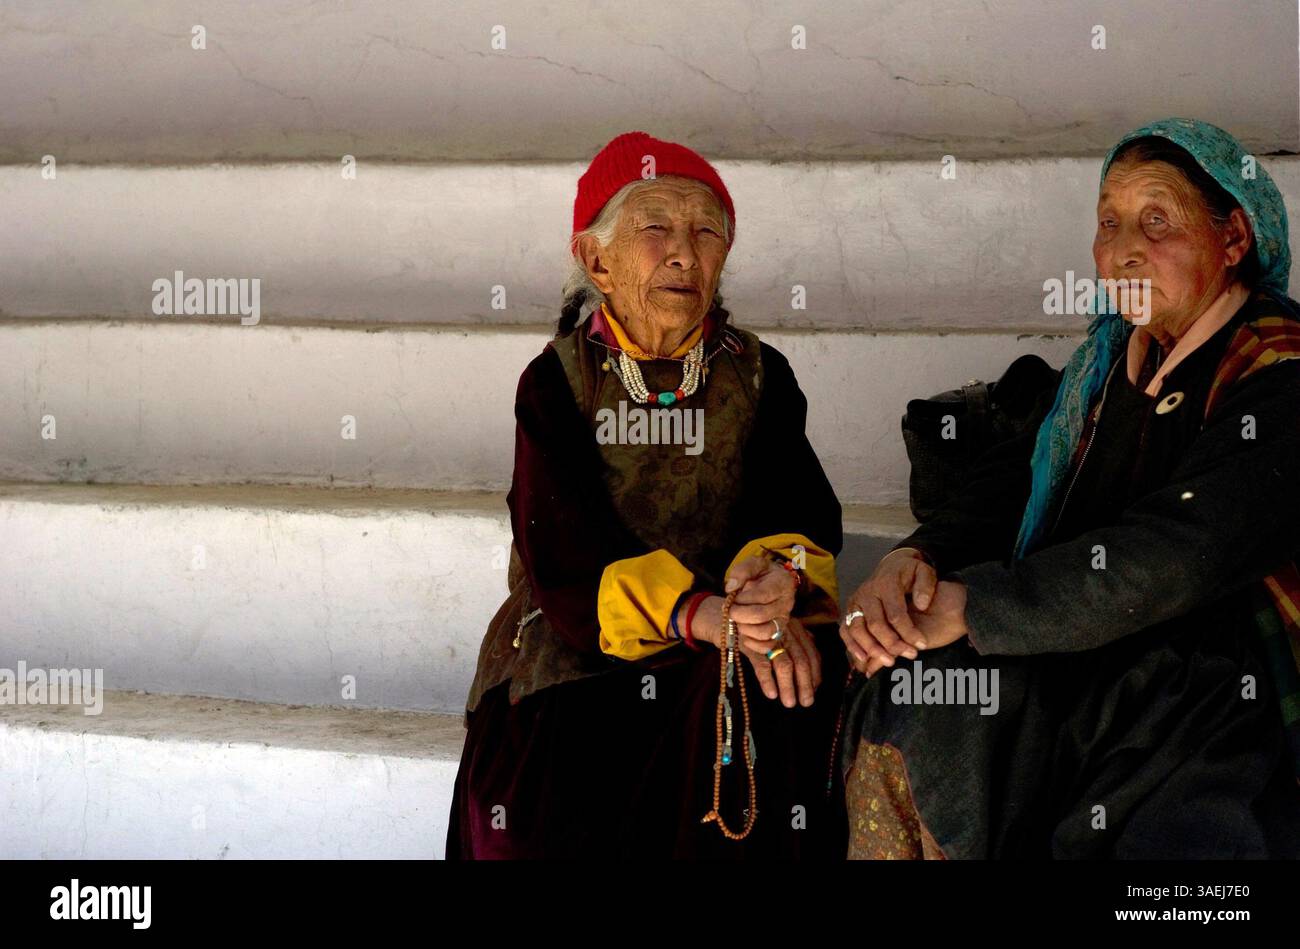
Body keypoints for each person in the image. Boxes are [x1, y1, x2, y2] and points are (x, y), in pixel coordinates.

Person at [840, 118, 1300, 859]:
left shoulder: (1278, 368)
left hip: (1211, 702)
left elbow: (1187, 546)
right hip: (1091, 664)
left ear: (1234, 240)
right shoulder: (1104, 364)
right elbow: (1010, 482)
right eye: (1109, 223)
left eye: (1158, 221)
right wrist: (914, 559)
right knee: (919, 690)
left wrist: (977, 605)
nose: (1123, 249)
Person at [447, 131, 847, 858]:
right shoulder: (557, 381)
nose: (684, 253)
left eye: (705, 232)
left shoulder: (760, 374)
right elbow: (561, 546)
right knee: (548, 798)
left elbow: (798, 510)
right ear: (597, 260)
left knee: (782, 699)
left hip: (728, 636)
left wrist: (773, 585)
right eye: (655, 227)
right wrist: (695, 611)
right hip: (583, 638)